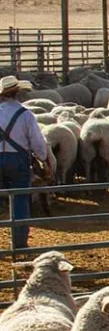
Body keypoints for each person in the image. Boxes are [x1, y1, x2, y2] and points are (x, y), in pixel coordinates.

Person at [0, 75, 50, 250]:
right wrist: (43, 159)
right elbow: (37, 142)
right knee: (20, 199)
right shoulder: (26, 114)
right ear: (18, 92)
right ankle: (19, 244)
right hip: (18, 160)